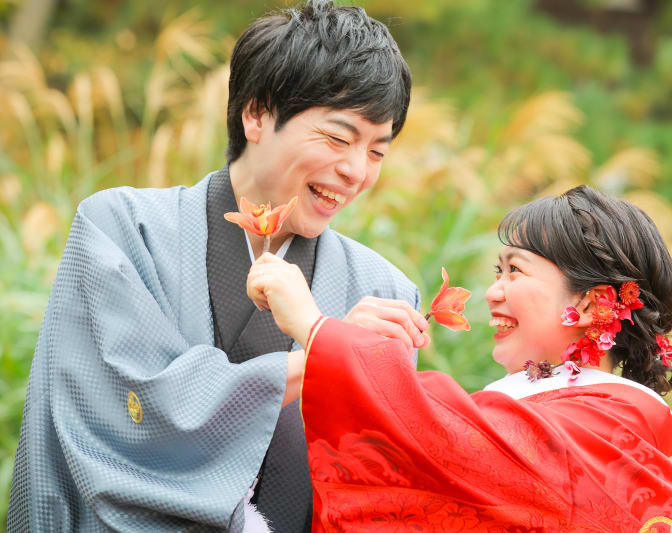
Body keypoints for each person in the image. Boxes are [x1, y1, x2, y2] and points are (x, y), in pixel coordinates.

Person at [7, 1, 431, 531]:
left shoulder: (387, 290)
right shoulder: (121, 230)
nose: (355, 171)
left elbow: (380, 492)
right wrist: (332, 352)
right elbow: (127, 414)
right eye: (338, 138)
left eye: (377, 152)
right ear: (257, 115)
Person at [250, 185, 672, 532]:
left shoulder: (587, 427)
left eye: (515, 271)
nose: (492, 292)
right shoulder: (609, 432)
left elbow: (440, 438)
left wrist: (314, 326)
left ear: (592, 304)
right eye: (497, 271)